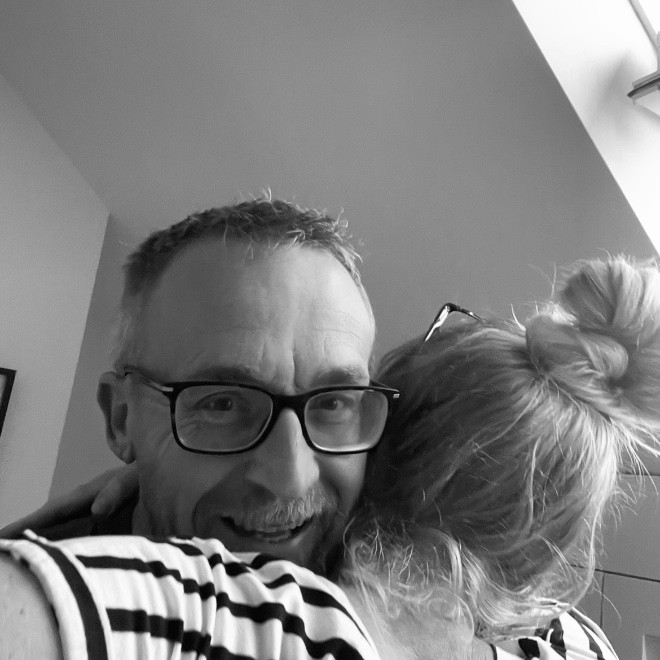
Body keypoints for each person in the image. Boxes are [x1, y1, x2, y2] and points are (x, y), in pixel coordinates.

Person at [0, 200, 639, 658]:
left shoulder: (537, 629)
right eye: (221, 403)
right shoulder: (69, 598)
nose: (290, 476)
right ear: (122, 419)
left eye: (332, 402)